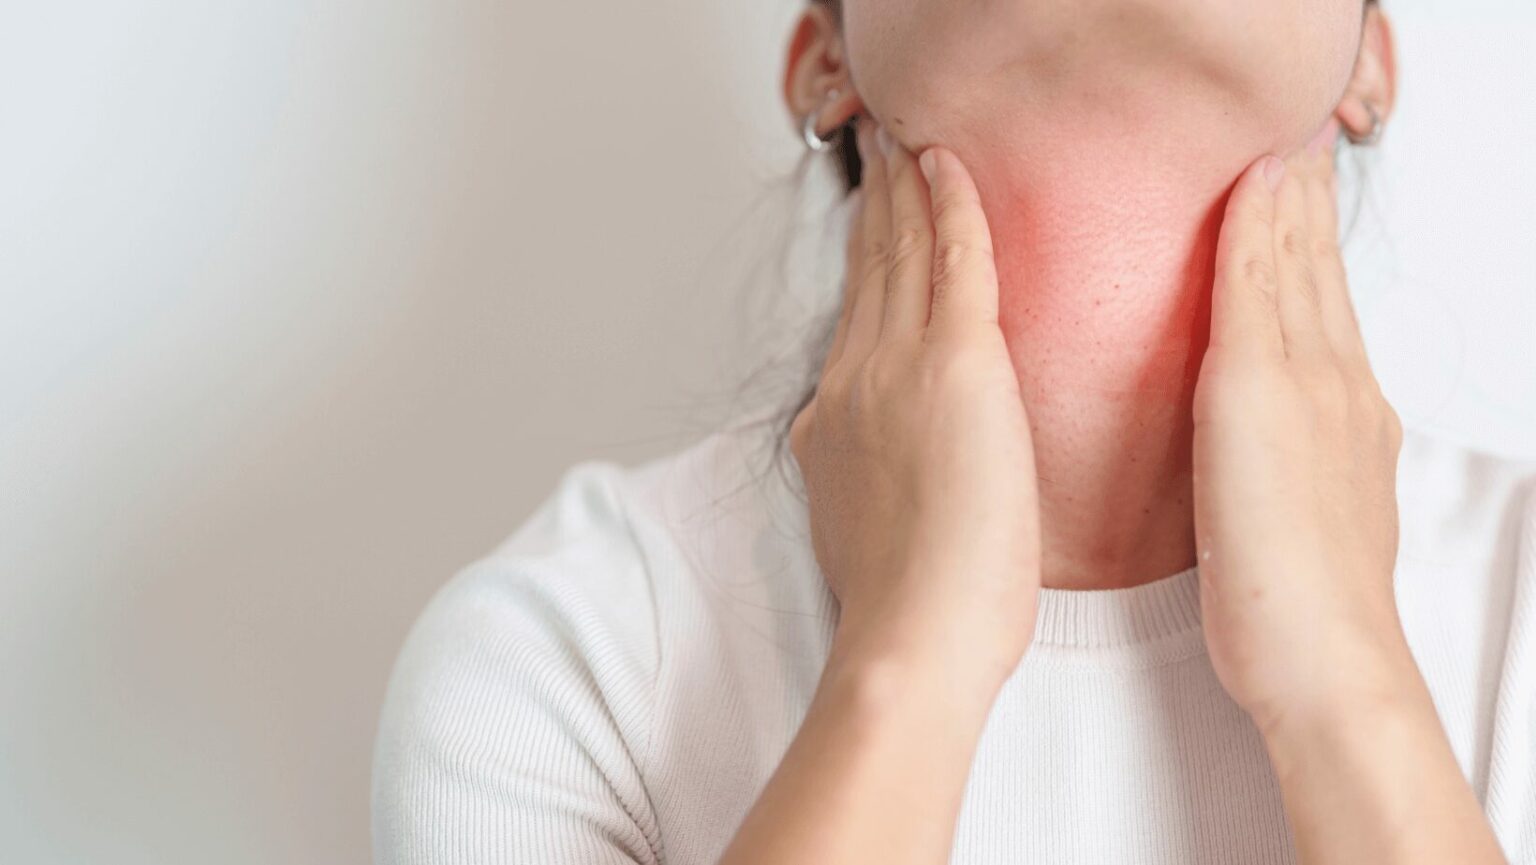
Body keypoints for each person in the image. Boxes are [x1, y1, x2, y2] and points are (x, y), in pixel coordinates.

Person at [371, 1, 1536, 862]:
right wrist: (906, 661)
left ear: (1367, 62)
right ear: (827, 55)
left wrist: (1349, 683)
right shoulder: (564, 665)